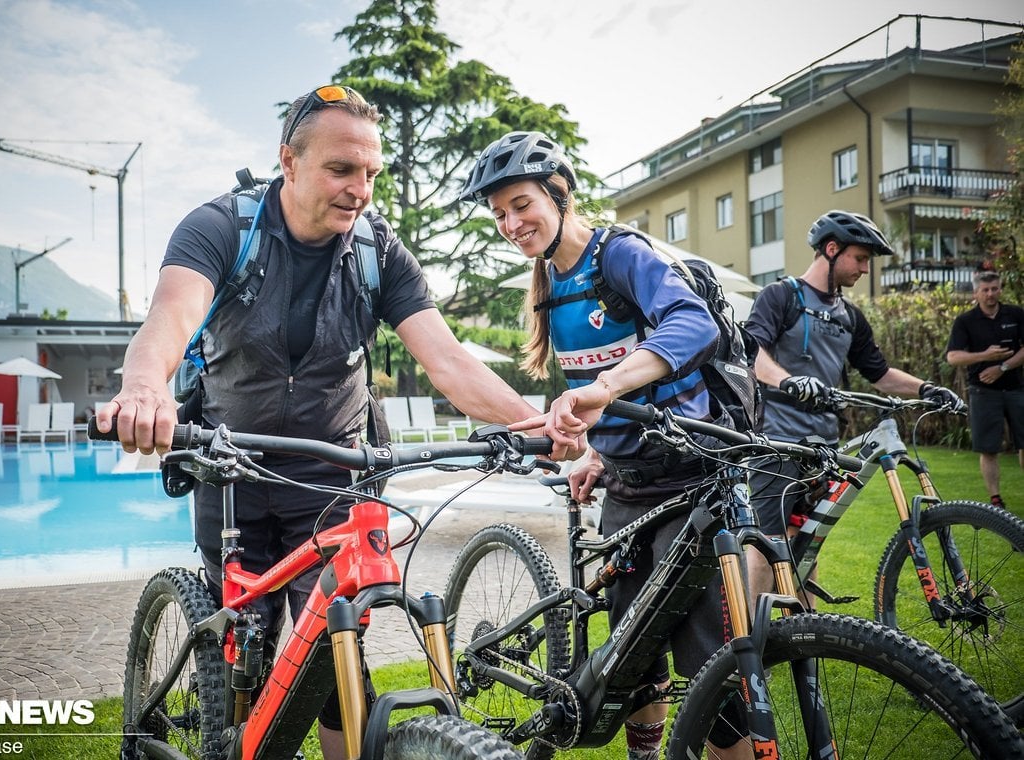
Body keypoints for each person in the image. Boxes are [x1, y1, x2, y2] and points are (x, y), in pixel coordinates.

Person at [96, 85, 543, 759]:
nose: (360, 189)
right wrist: (141, 386)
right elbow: (171, 317)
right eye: (342, 169)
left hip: (333, 477)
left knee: (339, 661)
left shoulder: (379, 251)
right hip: (231, 465)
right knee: (244, 651)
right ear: (290, 161)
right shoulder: (220, 228)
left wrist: (536, 422)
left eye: (371, 173)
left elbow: (447, 360)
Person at [460, 131, 746, 760]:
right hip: (624, 484)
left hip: (689, 480)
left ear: (559, 192)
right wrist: (594, 450)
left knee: (716, 681)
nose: (511, 223)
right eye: (498, 213)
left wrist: (606, 390)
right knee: (632, 658)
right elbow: (595, 390)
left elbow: (692, 322)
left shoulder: (618, 254)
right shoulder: (549, 284)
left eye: (521, 204)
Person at [744, 209, 962, 599]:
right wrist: (788, 380)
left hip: (823, 445)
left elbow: (879, 373)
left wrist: (928, 389)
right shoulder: (780, 296)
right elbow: (752, 353)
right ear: (831, 249)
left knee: (809, 543)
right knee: (767, 542)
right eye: (860, 258)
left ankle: (803, 638)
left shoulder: (850, 317)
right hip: (774, 439)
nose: (864, 268)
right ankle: (747, 647)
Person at [945, 269, 1024, 509]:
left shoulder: (1016, 314)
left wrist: (1002, 366)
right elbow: (953, 357)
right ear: (976, 292)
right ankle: (995, 498)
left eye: (994, 289)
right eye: (985, 290)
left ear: (1000, 289)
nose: (990, 294)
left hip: (1016, 388)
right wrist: (985, 356)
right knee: (989, 448)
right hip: (983, 392)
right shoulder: (965, 321)